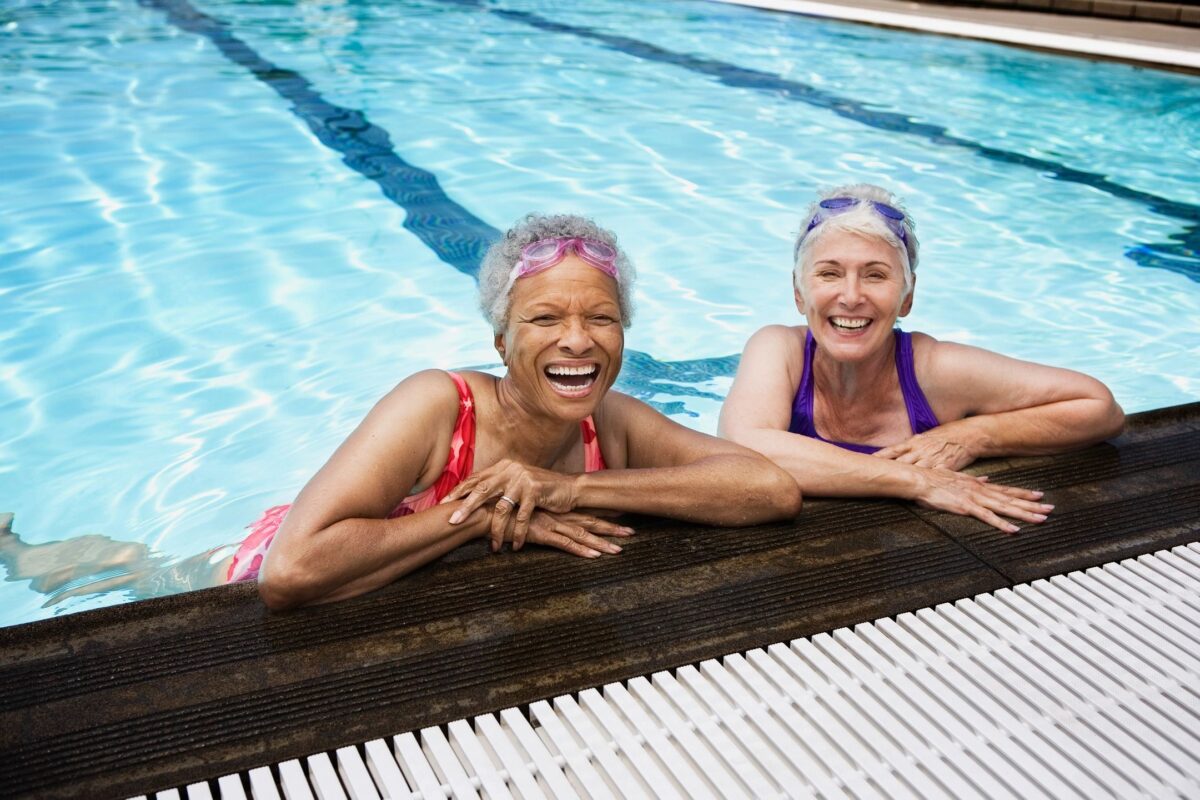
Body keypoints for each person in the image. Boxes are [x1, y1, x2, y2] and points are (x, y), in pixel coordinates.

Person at [233, 213, 802, 610]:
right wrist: (485, 516)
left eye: (601, 318)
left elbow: (768, 488)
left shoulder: (611, 422)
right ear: (502, 343)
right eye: (545, 319)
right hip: (267, 557)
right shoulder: (437, 406)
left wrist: (565, 488)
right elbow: (291, 574)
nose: (578, 341)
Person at [720, 184, 1125, 533]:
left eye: (876, 275)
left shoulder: (935, 370)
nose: (851, 295)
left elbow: (1099, 407)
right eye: (829, 274)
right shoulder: (779, 349)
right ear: (798, 292)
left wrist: (973, 435)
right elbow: (742, 445)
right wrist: (916, 481)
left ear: (907, 297)